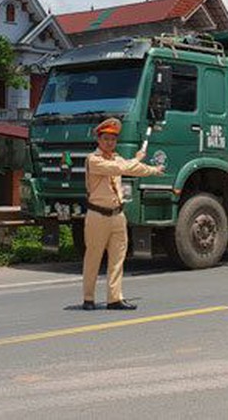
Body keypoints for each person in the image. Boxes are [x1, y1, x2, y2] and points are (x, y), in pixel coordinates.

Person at [82, 118, 164, 311]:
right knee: (93, 256)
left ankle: (114, 298)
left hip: (117, 214)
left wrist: (153, 169)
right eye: (106, 139)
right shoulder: (93, 160)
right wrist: (136, 159)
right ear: (99, 140)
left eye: (113, 139)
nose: (110, 142)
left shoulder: (117, 158)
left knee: (118, 258)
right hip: (97, 215)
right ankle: (88, 298)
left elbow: (132, 168)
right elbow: (122, 168)